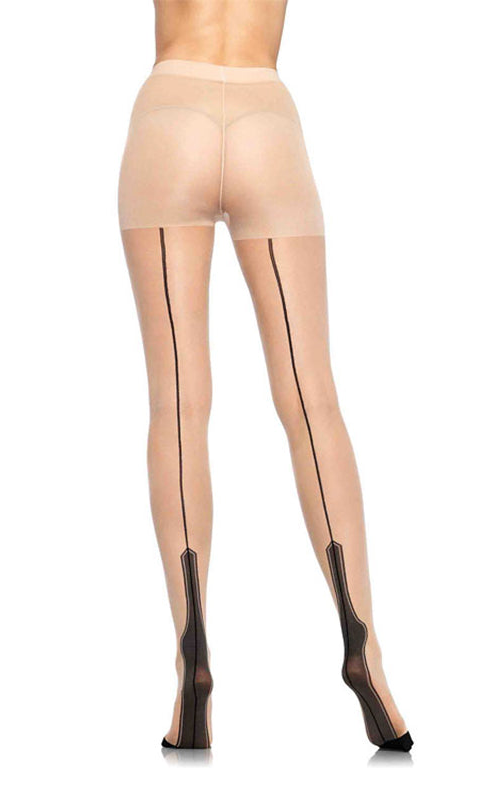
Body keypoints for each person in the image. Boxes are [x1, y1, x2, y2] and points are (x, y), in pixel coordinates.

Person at [118, 0, 413, 752]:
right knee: (313, 401)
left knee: (178, 405)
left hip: (170, 113)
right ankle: (366, 652)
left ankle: (191, 659)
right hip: (264, 116)